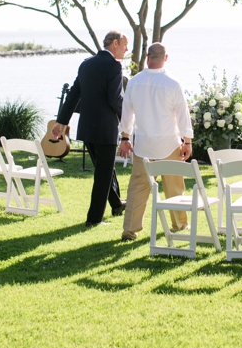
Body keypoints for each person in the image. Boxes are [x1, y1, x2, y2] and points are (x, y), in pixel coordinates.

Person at [117, 42, 193, 241]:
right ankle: (179, 224)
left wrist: (125, 137)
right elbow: (183, 115)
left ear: (147, 57)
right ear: (165, 58)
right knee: (174, 188)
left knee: (137, 189)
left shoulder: (133, 82)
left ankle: (130, 230)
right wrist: (188, 141)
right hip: (169, 143)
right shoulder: (173, 84)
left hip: (144, 145)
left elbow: (127, 115)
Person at [53, 31, 128, 227]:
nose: (127, 49)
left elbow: (73, 95)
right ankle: (94, 219)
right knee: (103, 174)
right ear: (114, 43)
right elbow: (115, 99)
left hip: (87, 128)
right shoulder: (114, 66)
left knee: (105, 169)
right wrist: (128, 117)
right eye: (124, 45)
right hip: (105, 130)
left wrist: (60, 122)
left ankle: (117, 204)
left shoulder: (86, 64)